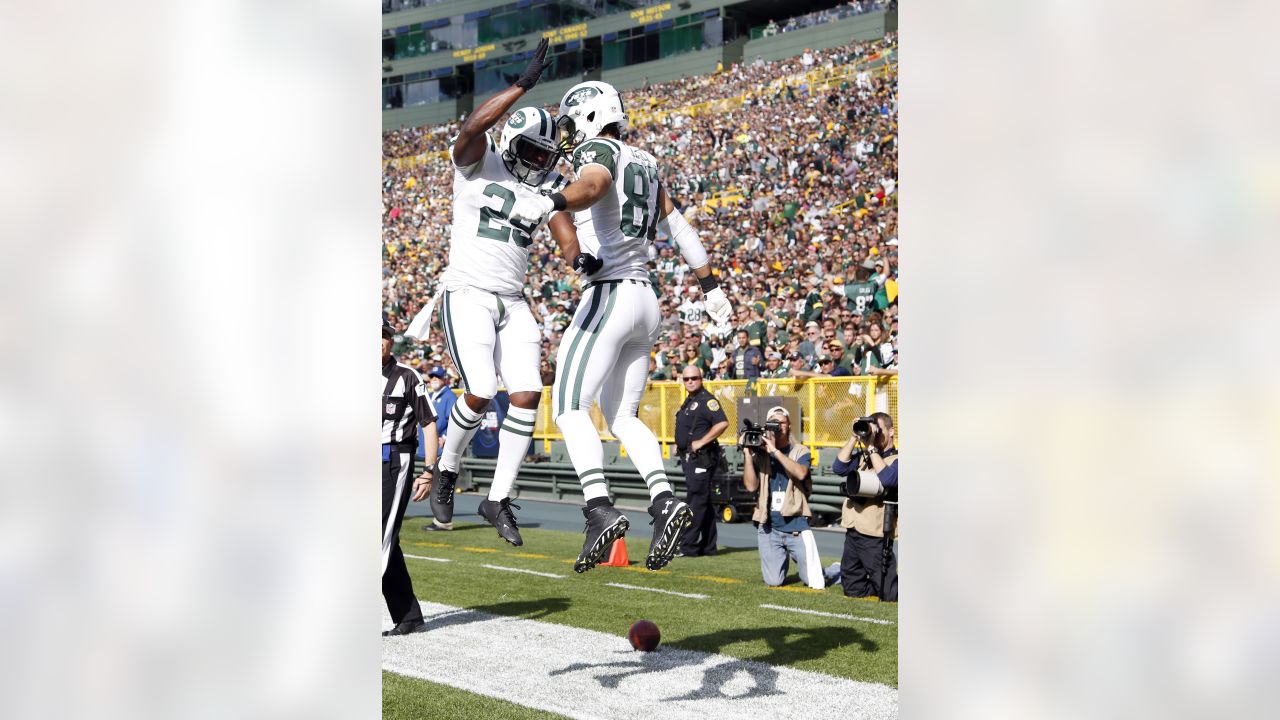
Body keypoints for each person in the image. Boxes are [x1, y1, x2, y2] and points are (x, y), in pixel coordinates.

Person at [509, 79, 733, 573]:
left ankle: (598, 508)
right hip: (646, 298)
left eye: (572, 121)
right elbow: (680, 229)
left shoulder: (597, 151)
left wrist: (552, 202)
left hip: (611, 292)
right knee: (623, 416)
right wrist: (711, 287)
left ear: (589, 115)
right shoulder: (648, 162)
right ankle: (663, 499)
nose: (568, 133)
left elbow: (593, 186)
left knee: (568, 406)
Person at [405, 39, 560, 547]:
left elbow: (561, 215)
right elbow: (472, 129)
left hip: (513, 300)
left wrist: (577, 255)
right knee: (481, 388)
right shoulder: (479, 162)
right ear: (512, 140)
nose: (539, 159)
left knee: (527, 394)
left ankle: (497, 497)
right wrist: (521, 86)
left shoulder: (544, 184)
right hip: (468, 291)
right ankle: (448, 467)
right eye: (533, 149)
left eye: (545, 153)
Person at [382, 316, 439, 635]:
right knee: (387, 539)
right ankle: (408, 615)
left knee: (376, 536)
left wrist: (429, 470)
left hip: (393, 458)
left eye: (385, 335)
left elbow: (428, 422)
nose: (379, 340)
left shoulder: (407, 377)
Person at [740, 406, 836, 590]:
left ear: (789, 425)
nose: (778, 427)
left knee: (815, 582)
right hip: (770, 526)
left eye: (781, 422)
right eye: (773, 423)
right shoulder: (760, 452)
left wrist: (774, 451)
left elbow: (800, 474)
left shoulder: (800, 450)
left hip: (795, 525)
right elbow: (751, 485)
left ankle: (833, 570)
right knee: (773, 582)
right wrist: (747, 452)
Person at [831, 412, 898, 601]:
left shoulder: (897, 459)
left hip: (875, 534)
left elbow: (889, 479)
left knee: (890, 594)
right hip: (853, 529)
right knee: (852, 588)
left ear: (891, 431)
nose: (874, 435)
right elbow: (838, 468)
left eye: (879, 430)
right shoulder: (864, 455)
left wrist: (871, 447)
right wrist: (855, 436)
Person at [673, 366, 728, 557]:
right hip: (690, 457)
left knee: (696, 501)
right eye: (686, 378)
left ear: (701, 379)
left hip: (701, 458)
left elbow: (722, 423)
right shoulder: (691, 400)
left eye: (694, 378)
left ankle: (688, 546)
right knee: (702, 501)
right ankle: (708, 546)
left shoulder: (707, 400)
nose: (690, 381)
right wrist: (679, 445)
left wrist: (702, 442)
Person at [422, 366, 458, 532]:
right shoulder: (430, 396)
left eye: (437, 376)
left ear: (444, 379)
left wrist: (445, 437)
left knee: (440, 484)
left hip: (442, 449)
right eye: (432, 376)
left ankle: (442, 520)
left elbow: (454, 421)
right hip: (427, 448)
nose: (434, 379)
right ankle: (439, 518)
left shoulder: (449, 396)